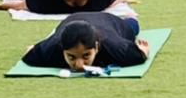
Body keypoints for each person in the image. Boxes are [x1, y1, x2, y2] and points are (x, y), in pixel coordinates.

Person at [21, 13, 149, 72]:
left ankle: (130, 18)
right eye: (71, 57)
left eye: (86, 55)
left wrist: (143, 51)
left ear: (97, 48)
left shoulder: (116, 47)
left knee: (133, 27)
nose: (79, 65)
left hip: (109, 21)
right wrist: (35, 50)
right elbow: (30, 52)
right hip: (73, 18)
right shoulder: (53, 47)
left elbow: (141, 53)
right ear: (62, 50)